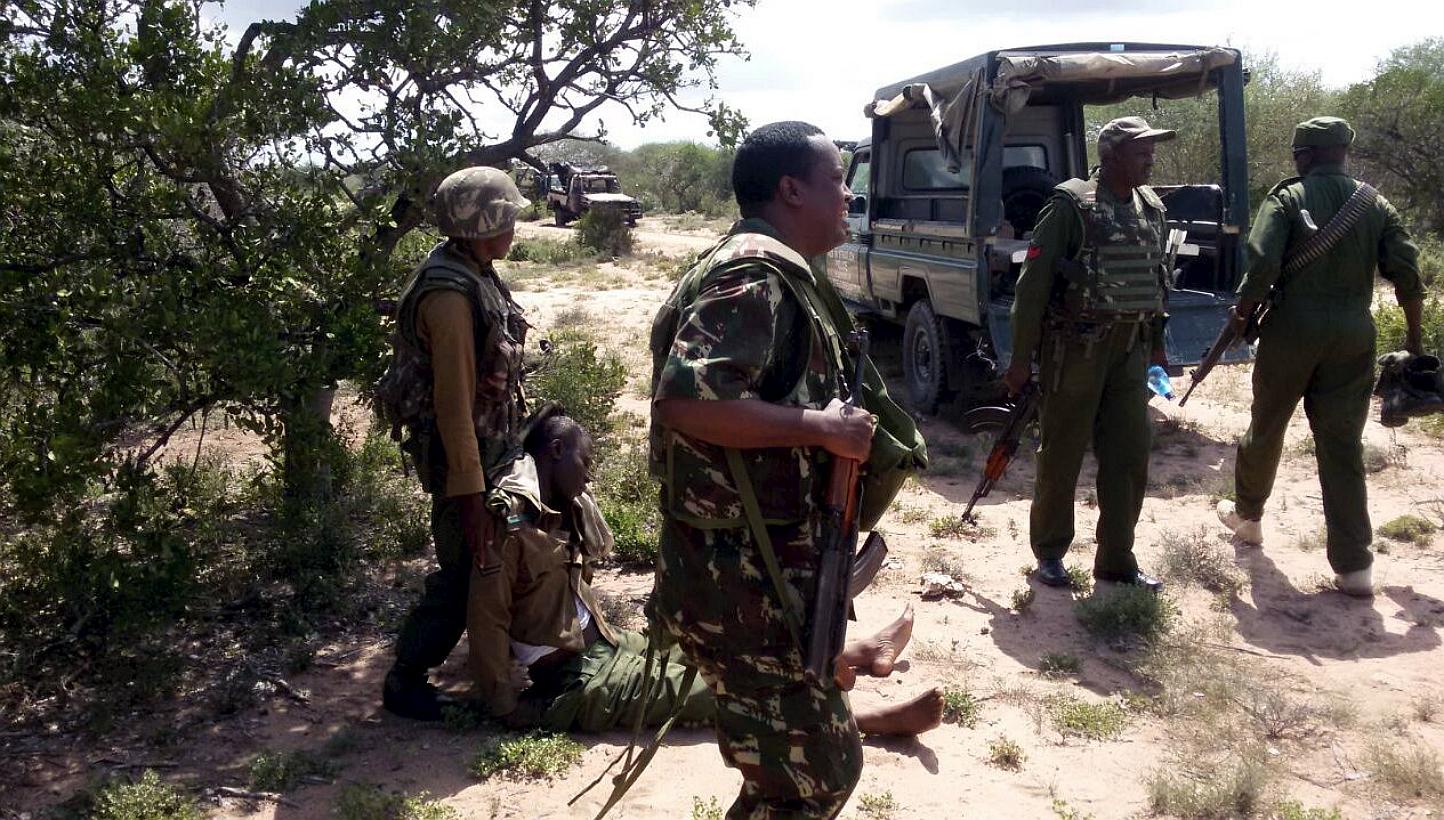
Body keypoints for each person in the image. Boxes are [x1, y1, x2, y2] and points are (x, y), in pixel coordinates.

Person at [647, 121, 877, 818]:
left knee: (785, 779)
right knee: (818, 774)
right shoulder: (754, 276)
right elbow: (687, 402)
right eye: (837, 179)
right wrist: (825, 430)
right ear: (790, 189)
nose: (848, 195)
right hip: (741, 583)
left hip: (760, 571)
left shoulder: (777, 271)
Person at [470, 414, 943, 739]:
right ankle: (870, 719)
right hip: (577, 681)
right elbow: (487, 616)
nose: (589, 476)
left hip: (605, 645)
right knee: (723, 692)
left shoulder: (557, 510)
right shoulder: (511, 523)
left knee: (718, 645)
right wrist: (506, 705)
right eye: (585, 462)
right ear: (555, 452)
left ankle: (858, 653)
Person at [1216, 116, 1425, 597]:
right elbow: (1409, 277)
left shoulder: (1287, 198)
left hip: (1291, 332)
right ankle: (1355, 568)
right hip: (1354, 336)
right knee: (1342, 446)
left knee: (1266, 426)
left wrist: (1243, 315)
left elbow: (1263, 261)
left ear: (1303, 156)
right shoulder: (1376, 204)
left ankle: (1248, 517)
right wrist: (1414, 342)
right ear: (1344, 153)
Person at [376, 166, 531, 721]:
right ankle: (406, 679)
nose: (513, 227)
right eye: (506, 217)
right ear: (479, 223)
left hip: (492, 447)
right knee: (467, 567)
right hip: (463, 459)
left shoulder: (476, 271)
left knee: (498, 555)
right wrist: (468, 496)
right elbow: (453, 408)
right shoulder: (448, 295)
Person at [1003, 116, 1175, 593]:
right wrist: (1020, 360)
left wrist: (1157, 346)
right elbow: (1032, 288)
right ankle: (1051, 553)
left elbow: (1159, 280)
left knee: (1130, 455)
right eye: (1141, 151)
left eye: (1150, 150)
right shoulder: (1071, 206)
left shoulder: (1152, 208)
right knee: (1062, 453)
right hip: (1076, 349)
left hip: (1130, 350)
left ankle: (1117, 560)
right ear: (1114, 154)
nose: (1150, 158)